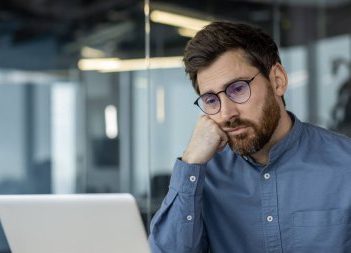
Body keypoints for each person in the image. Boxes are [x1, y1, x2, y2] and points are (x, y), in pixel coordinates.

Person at [148, 21, 351, 253]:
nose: (226, 114)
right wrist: (191, 162)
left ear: (277, 80)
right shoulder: (201, 179)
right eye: (211, 100)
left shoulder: (346, 165)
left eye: (238, 89)